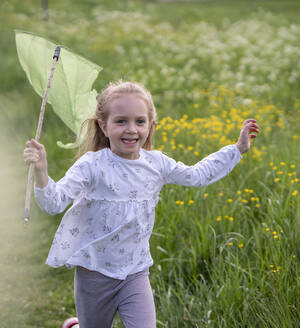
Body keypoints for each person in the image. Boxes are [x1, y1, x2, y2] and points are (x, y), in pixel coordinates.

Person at [23, 80, 259, 328]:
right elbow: (54, 203)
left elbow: (197, 175)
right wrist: (41, 171)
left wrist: (238, 149)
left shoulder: (156, 164)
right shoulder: (92, 165)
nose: (131, 129)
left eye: (139, 121)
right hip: (94, 273)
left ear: (151, 125)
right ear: (103, 126)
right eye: (121, 121)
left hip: (135, 272)